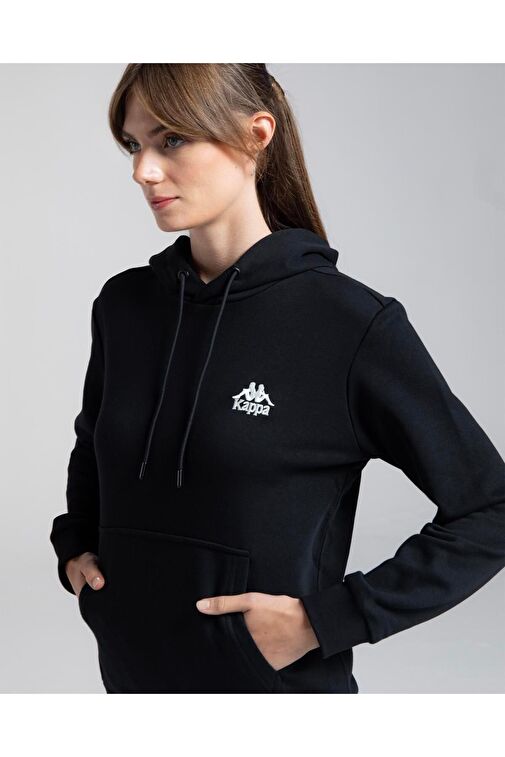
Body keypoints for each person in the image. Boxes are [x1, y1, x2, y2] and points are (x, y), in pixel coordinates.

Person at [49, 63, 505, 694]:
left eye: (171, 139)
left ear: (255, 135)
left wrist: (327, 620)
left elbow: (490, 508)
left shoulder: (348, 324)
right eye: (134, 144)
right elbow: (96, 442)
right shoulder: (125, 307)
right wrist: (75, 543)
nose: (143, 170)